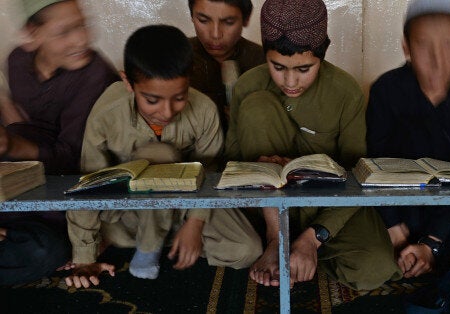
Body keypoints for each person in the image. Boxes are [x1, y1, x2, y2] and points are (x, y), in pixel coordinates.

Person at [65, 24, 262, 289]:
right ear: (127, 82)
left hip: (186, 203)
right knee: (157, 154)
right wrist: (84, 257)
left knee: (246, 250)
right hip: (131, 211)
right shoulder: (106, 113)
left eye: (179, 98)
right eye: (152, 100)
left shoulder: (203, 110)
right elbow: (88, 185)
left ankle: (168, 240)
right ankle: (149, 245)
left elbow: (211, 173)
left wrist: (193, 224)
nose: (167, 111)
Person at [225, 0, 401, 290]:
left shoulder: (345, 92)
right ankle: (276, 242)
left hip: (328, 203)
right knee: (257, 107)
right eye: (277, 66)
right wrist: (265, 169)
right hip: (268, 206)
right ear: (265, 54)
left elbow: (357, 173)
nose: (290, 81)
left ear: (323, 54)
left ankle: (301, 251)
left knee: (375, 267)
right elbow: (232, 162)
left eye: (304, 68)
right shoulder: (248, 86)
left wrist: (313, 237)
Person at [366, 0, 450, 294]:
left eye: (448, 44)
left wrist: (433, 242)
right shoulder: (386, 90)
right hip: (397, 209)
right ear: (406, 46)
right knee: (370, 260)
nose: (437, 59)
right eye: (424, 45)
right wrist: (394, 228)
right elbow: (375, 164)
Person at [0, 0, 118, 286]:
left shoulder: (94, 72)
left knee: (46, 249)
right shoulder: (17, 61)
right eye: (64, 31)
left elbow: (71, 159)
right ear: (32, 35)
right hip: (18, 181)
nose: (81, 39)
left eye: (82, 25)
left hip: (70, 186)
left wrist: (11, 145)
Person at [188, 0, 265, 133]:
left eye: (228, 22)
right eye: (203, 20)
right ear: (192, 17)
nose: (216, 34)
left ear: (246, 19)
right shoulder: (173, 59)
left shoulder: (265, 62)